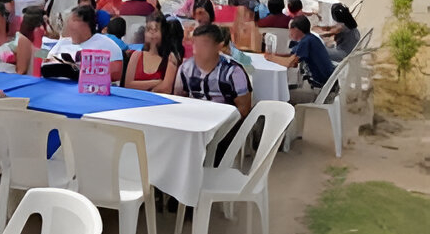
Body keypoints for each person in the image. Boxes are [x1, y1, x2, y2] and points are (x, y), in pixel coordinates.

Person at [175, 24, 252, 161]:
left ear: (219, 46)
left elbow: (244, 108)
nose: (196, 50)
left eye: (204, 45)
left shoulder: (233, 72)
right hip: (194, 121)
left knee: (212, 151)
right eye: (195, 45)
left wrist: (222, 123)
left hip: (224, 124)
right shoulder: (186, 69)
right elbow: (179, 98)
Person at [47, 5, 123, 82]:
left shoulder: (107, 45)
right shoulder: (63, 43)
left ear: (84, 24)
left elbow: (116, 75)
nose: (67, 24)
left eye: (73, 20)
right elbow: (47, 63)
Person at [265, 15, 335, 87]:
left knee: (282, 87)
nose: (289, 32)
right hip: (327, 77)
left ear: (296, 29)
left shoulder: (306, 42)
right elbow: (292, 56)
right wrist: (275, 55)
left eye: (290, 29)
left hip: (321, 81)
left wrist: (271, 58)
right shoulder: (310, 38)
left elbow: (290, 63)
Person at [126, 14, 181, 93]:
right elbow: (128, 85)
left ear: (163, 32)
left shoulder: (171, 58)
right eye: (149, 29)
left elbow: (166, 88)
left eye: (156, 29)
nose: (152, 32)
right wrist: (156, 82)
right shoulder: (136, 55)